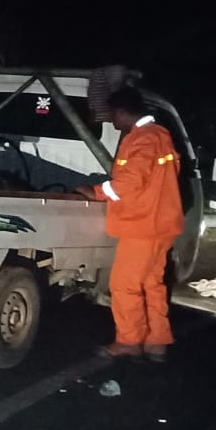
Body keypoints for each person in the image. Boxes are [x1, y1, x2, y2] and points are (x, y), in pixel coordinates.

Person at [75, 87, 184, 363]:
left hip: (142, 227)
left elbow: (131, 183)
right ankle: (157, 342)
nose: (112, 121)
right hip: (162, 225)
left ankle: (129, 341)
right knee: (152, 284)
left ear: (123, 112)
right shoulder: (161, 135)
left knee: (124, 285)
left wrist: (97, 191)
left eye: (113, 115)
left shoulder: (142, 140)